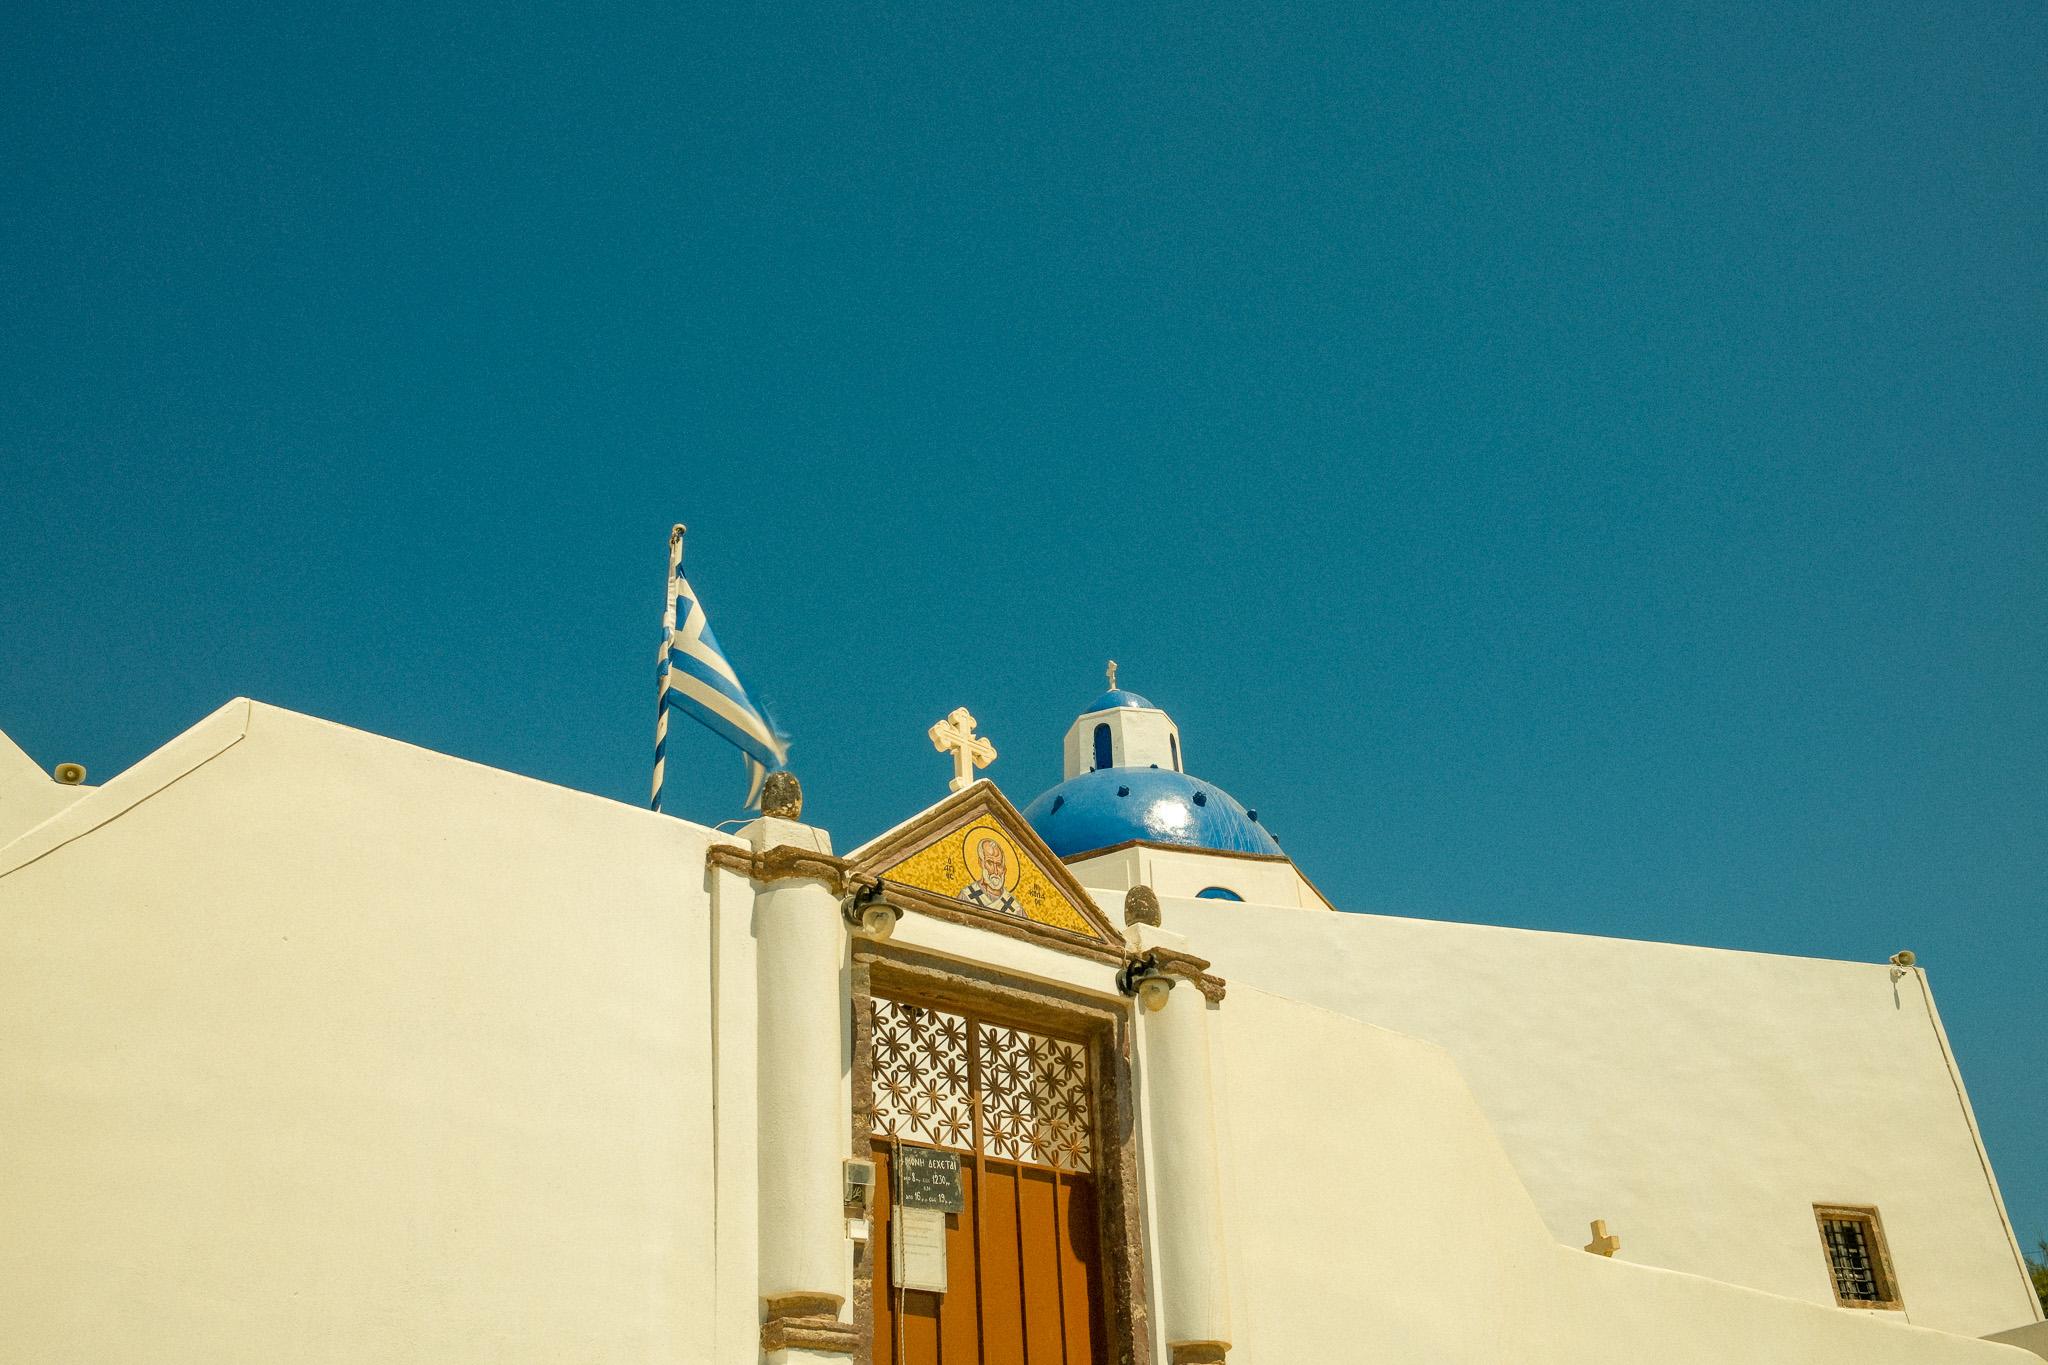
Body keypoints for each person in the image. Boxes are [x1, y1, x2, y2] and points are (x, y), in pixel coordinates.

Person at [961, 835, 1023, 916]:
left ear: (1004, 869)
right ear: (981, 863)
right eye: (990, 863)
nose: (995, 871)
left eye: (999, 865)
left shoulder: (1015, 908)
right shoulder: (967, 896)